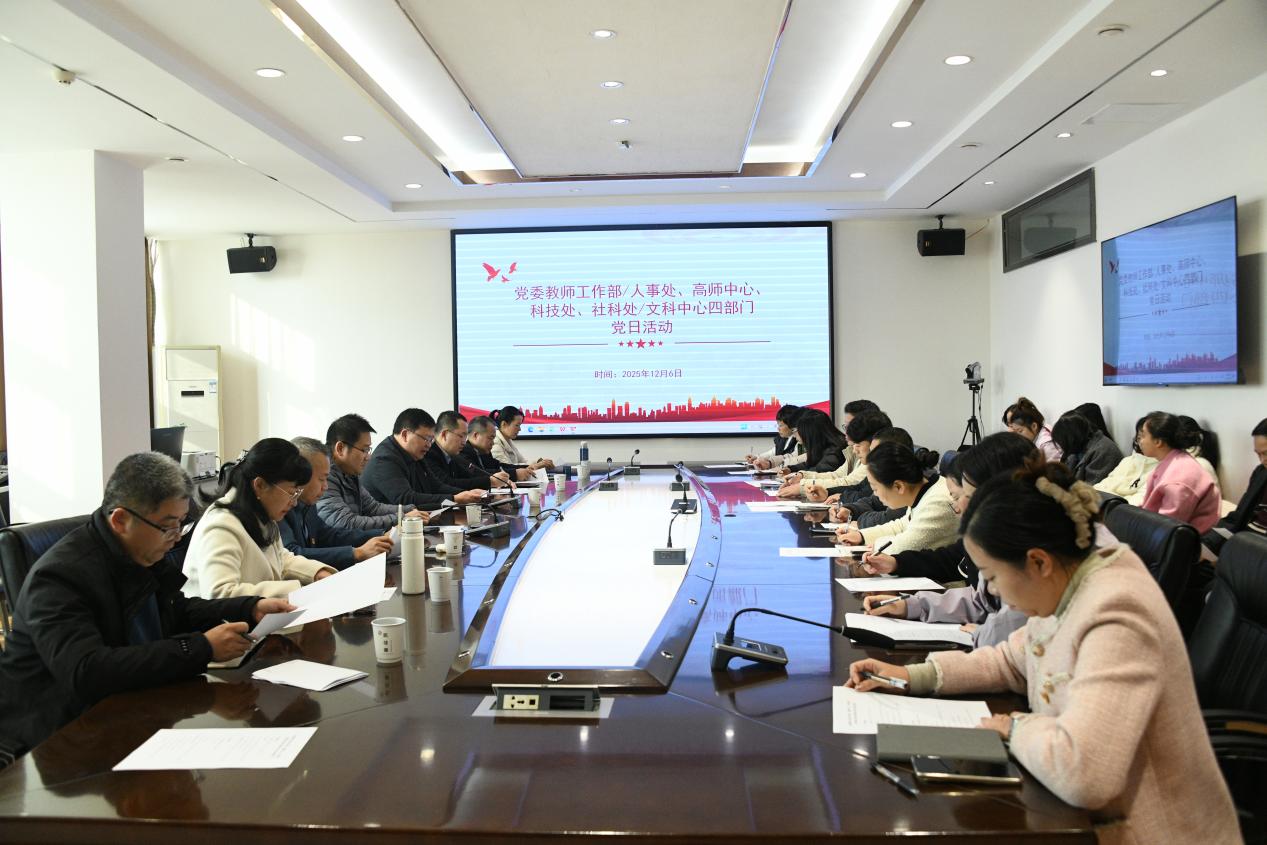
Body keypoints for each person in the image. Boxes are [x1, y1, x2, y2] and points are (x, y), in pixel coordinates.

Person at [846, 460, 1239, 845]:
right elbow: (1010, 660)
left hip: (1142, 827)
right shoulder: (1067, 584)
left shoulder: (1119, 611)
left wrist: (1016, 728)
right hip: (1077, 812)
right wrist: (914, 676)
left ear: (1038, 561)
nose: (992, 591)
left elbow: (1085, 773)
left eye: (993, 576)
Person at [0, 452, 294, 760]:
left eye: (181, 525)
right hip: (61, 738)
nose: (175, 538)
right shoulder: (60, 576)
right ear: (120, 520)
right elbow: (87, 671)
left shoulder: (138, 550)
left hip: (131, 709)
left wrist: (249, 608)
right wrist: (201, 648)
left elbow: (176, 612)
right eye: (168, 526)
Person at [861, 433, 1037, 646]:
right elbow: (981, 599)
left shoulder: (1027, 547)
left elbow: (1015, 627)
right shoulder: (996, 537)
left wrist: (985, 633)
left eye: (965, 496)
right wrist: (909, 605)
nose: (957, 507)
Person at [184, 438, 337, 598]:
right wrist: (295, 589)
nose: (294, 502)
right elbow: (220, 593)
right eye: (291, 493)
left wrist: (317, 573)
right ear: (260, 485)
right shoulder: (220, 525)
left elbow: (280, 559)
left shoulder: (262, 514)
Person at [279, 437, 394, 570]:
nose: (325, 487)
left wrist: (380, 535)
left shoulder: (308, 504)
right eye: (321, 479)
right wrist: (356, 553)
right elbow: (292, 555)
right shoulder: (279, 507)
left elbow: (329, 535)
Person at [834, 441, 955, 555]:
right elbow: (902, 525)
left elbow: (907, 545)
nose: (875, 495)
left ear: (898, 486)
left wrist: (875, 545)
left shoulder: (937, 503)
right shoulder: (923, 491)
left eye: (875, 489)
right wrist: (861, 536)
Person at [318, 413, 429, 530]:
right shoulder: (324, 476)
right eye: (364, 450)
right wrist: (403, 517)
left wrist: (412, 510)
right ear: (340, 448)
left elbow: (373, 508)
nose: (368, 457)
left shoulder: (349, 473)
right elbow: (347, 523)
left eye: (369, 449)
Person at [361, 408, 484, 508]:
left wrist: (465, 494)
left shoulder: (415, 454)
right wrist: (454, 499)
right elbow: (405, 499)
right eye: (426, 439)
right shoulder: (384, 460)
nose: (429, 445)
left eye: (431, 440)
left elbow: (436, 486)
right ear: (405, 435)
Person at [1136, 411, 1221, 532]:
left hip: (1188, 538)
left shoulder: (1179, 480)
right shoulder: (1172, 461)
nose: (1140, 441)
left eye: (1143, 436)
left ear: (1158, 442)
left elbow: (1168, 528)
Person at [782, 409, 889, 499]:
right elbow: (838, 475)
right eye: (846, 427)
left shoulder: (839, 450)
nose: (847, 433)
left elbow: (849, 482)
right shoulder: (854, 450)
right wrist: (803, 476)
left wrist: (803, 485)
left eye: (850, 427)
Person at [1203, 418, 1267, 554]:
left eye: (1266, 453)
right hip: (1244, 543)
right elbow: (1237, 517)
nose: (1262, 460)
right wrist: (1207, 545)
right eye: (1258, 454)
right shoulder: (1261, 473)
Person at [426, 411, 510, 491]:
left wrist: (497, 479)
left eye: (465, 437)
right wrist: (490, 482)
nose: (464, 442)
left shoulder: (452, 455)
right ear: (444, 434)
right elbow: (446, 483)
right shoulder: (429, 454)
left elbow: (469, 475)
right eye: (461, 436)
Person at [1050, 411, 1122, 484]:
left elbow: (1091, 486)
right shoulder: (1078, 447)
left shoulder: (1103, 451)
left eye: (1062, 442)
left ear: (1072, 438)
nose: (1061, 447)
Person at [490, 406, 555, 473]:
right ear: (504, 424)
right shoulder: (495, 443)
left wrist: (538, 463)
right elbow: (507, 469)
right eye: (517, 425)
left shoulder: (508, 440)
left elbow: (522, 462)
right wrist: (537, 465)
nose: (519, 429)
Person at [746, 404, 805, 470]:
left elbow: (795, 458)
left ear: (791, 424)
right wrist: (757, 457)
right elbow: (772, 452)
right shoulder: (782, 439)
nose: (778, 428)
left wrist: (770, 464)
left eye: (780, 425)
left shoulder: (799, 441)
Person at [1002, 397, 1060, 461]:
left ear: (1034, 426)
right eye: (1009, 424)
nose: (1010, 430)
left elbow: (1053, 466)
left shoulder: (1047, 445)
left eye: (1020, 431)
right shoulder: (1034, 437)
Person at [788, 409, 847, 474]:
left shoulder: (835, 449)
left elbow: (821, 471)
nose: (794, 435)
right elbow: (811, 463)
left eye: (800, 431)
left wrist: (799, 474)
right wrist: (791, 469)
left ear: (810, 433)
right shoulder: (822, 444)